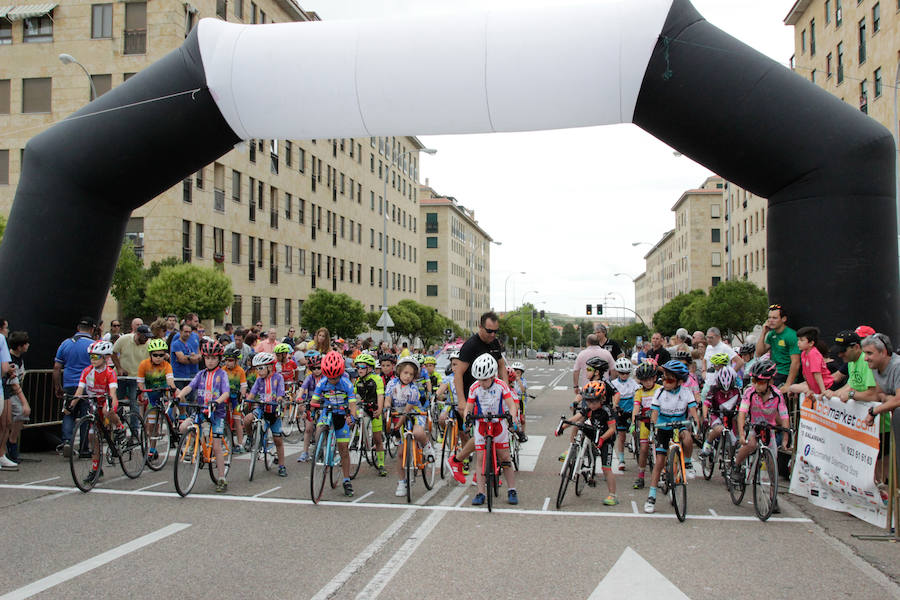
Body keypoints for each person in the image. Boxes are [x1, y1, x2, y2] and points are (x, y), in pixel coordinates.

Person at [446, 312, 508, 483]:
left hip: (490, 393)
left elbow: (501, 366)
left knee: (493, 431)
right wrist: (461, 401)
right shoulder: (471, 345)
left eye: (496, 331)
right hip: (472, 394)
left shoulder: (494, 343)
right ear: (480, 327)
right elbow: (457, 373)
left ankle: (482, 474)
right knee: (482, 434)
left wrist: (507, 390)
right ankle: (456, 460)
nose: (493, 334)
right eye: (489, 331)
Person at [644, 359, 700, 514]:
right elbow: (654, 414)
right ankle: (652, 496)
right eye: (663, 378)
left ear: (679, 382)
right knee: (660, 461)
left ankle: (687, 463)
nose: (665, 382)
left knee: (687, 438)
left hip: (680, 424)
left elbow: (693, 412)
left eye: (669, 379)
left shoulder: (686, 392)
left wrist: (696, 423)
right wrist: (652, 428)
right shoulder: (660, 392)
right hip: (664, 426)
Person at [463, 354, 520, 505]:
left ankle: (512, 489)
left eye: (485, 379)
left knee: (505, 458)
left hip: (498, 424)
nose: (482, 382)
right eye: (479, 379)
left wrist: (513, 418)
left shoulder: (501, 385)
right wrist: (466, 419)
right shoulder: (474, 387)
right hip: (481, 425)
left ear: (493, 375)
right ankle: (481, 492)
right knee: (480, 459)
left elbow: (511, 405)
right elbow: (468, 407)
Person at [177, 340, 231, 492]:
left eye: (214, 358)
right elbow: (190, 386)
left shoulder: (222, 374)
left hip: (216, 413)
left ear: (219, 359)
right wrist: (180, 395)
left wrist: (217, 401)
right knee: (183, 427)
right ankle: (196, 446)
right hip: (201, 410)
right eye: (207, 358)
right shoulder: (201, 374)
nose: (210, 361)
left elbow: (226, 392)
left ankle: (221, 478)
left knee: (216, 446)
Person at [556, 380, 618, 505]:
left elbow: (612, 430)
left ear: (602, 399)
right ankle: (575, 449)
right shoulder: (588, 408)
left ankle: (612, 495)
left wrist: (601, 439)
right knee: (580, 425)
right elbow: (576, 417)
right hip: (593, 432)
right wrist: (563, 427)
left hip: (606, 438)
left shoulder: (607, 410)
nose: (591, 404)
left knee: (606, 468)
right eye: (588, 401)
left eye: (595, 401)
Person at [733, 360, 790, 492]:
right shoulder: (750, 392)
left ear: (770, 382)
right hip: (754, 426)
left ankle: (772, 496)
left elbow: (784, 417)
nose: (756, 385)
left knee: (772, 464)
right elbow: (742, 413)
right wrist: (741, 434)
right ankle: (736, 466)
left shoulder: (777, 395)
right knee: (751, 444)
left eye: (760, 382)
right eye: (754, 381)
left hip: (769, 429)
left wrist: (786, 439)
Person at [310, 351, 358, 496]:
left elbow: (353, 404)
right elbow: (314, 401)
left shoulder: (346, 383)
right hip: (327, 413)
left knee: (343, 450)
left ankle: (346, 479)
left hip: (342, 415)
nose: (333, 380)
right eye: (330, 377)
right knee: (319, 428)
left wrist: (352, 417)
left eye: (336, 377)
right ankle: (319, 450)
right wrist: (310, 409)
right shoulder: (322, 383)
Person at [387, 356, 434, 498]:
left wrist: (397, 425)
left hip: (414, 413)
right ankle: (402, 481)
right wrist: (387, 410)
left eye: (411, 374)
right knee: (401, 454)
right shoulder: (391, 384)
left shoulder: (414, 389)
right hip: (398, 412)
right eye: (405, 373)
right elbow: (387, 399)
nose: (407, 376)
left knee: (418, 432)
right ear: (399, 372)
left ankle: (427, 447)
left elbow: (407, 410)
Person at [861, 334, 900, 490]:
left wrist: (874, 411)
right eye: (865, 353)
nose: (865, 358)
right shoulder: (876, 368)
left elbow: (897, 400)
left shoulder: (897, 366)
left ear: (883, 352)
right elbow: (880, 394)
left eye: (869, 353)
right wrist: (890, 400)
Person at [243, 351, 290, 479]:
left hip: (274, 411)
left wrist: (279, 400)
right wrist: (246, 402)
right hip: (261, 408)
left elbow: (280, 393)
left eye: (261, 368)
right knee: (247, 420)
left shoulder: (278, 378)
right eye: (257, 368)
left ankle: (281, 466)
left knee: (278, 440)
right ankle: (251, 438)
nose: (258, 371)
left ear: (270, 367)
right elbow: (252, 394)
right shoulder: (259, 380)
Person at [54, 317, 97, 456]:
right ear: (91, 330)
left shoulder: (65, 343)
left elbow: (56, 367)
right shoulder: (93, 345)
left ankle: (67, 442)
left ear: (78, 328)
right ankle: (84, 448)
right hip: (87, 384)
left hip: (69, 383)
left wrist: (58, 386)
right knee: (86, 415)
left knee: (68, 412)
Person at [755, 304, 800, 394]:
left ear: (783, 319)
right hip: (773, 372)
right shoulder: (771, 334)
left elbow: (796, 362)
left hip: (784, 374)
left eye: (775, 318)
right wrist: (763, 333)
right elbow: (759, 353)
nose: (771, 321)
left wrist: (788, 384)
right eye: (769, 318)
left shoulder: (791, 335)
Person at [355, 352, 387, 476]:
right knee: (353, 419)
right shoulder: (357, 380)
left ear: (370, 368)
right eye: (357, 367)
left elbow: (380, 395)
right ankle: (357, 437)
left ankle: (381, 464)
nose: (359, 369)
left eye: (362, 367)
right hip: (362, 407)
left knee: (377, 438)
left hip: (374, 408)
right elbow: (352, 396)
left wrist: (379, 409)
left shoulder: (377, 379)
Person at [630, 361, 660, 489]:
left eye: (650, 379)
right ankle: (641, 476)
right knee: (643, 449)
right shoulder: (639, 392)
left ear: (654, 378)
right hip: (645, 423)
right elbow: (636, 408)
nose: (647, 382)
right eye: (644, 380)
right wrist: (633, 423)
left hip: (658, 422)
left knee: (660, 449)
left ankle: (662, 473)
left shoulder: (659, 389)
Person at [699, 366, 741, 457]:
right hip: (716, 414)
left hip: (730, 417)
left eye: (728, 390)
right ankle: (708, 443)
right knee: (719, 429)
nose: (725, 393)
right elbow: (706, 404)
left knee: (735, 442)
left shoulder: (737, 391)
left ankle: (731, 462)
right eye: (722, 390)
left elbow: (742, 407)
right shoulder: (713, 389)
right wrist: (705, 417)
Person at [1, 331, 28, 468]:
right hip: (8, 391)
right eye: (26, 343)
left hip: (9, 391)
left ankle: (7, 448)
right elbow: (13, 381)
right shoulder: (10, 358)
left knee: (8, 422)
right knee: (7, 422)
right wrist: (24, 402)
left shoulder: (19, 358)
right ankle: (9, 446)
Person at [111, 323, 151, 411]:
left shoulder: (148, 345)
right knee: (118, 400)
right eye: (145, 337)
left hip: (135, 377)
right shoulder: (124, 339)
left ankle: (135, 424)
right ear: (138, 334)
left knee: (134, 401)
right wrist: (119, 368)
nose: (147, 339)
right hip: (121, 376)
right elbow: (113, 353)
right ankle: (118, 420)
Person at [609, 357, 638, 472]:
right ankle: (621, 459)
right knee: (621, 436)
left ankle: (637, 446)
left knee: (635, 431)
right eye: (621, 373)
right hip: (620, 412)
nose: (624, 375)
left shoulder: (633, 383)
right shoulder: (613, 383)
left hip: (632, 412)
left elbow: (637, 395)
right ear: (617, 372)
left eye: (627, 373)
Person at [789, 327, 834, 397]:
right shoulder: (803, 353)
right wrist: (810, 389)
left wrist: (823, 391)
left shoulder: (813, 354)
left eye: (801, 340)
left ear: (811, 343)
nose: (798, 342)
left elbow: (817, 374)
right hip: (817, 388)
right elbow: (805, 374)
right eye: (798, 340)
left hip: (828, 386)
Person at [297, 354, 323, 463]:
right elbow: (302, 388)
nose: (316, 371)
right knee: (308, 429)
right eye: (313, 368)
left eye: (318, 368)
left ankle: (320, 449)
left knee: (320, 429)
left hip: (323, 404)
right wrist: (299, 397)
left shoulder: (326, 378)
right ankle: (305, 452)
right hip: (311, 404)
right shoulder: (309, 378)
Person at [222, 347, 248, 454]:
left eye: (231, 360)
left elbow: (243, 386)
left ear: (237, 361)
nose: (228, 363)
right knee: (225, 420)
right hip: (225, 397)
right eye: (226, 360)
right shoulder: (223, 370)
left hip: (235, 398)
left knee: (237, 419)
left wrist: (242, 395)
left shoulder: (240, 371)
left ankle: (240, 443)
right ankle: (229, 442)